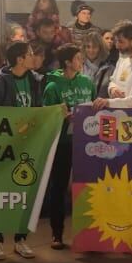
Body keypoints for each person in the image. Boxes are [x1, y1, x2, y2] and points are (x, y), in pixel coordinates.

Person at [0, 39, 41, 260]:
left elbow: (39, 110)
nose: (33, 56)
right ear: (20, 59)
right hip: (4, 147)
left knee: (25, 193)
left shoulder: (35, 81)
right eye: (30, 53)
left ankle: (21, 239)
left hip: (28, 146)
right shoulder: (0, 82)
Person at [40, 44, 92, 249]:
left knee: (87, 187)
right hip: (62, 143)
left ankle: (89, 234)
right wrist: (62, 117)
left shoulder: (87, 82)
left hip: (86, 142)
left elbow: (92, 105)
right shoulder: (52, 87)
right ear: (68, 62)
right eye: (78, 58)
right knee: (59, 187)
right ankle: (57, 233)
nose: (81, 62)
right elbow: (47, 116)